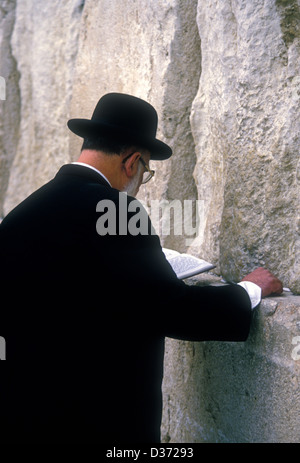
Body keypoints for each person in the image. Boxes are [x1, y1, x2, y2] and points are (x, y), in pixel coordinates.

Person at [0, 93, 283, 443]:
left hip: (24, 417)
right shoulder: (117, 210)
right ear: (132, 162)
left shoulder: (25, 212)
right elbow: (172, 310)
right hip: (96, 423)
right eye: (146, 169)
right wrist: (249, 289)